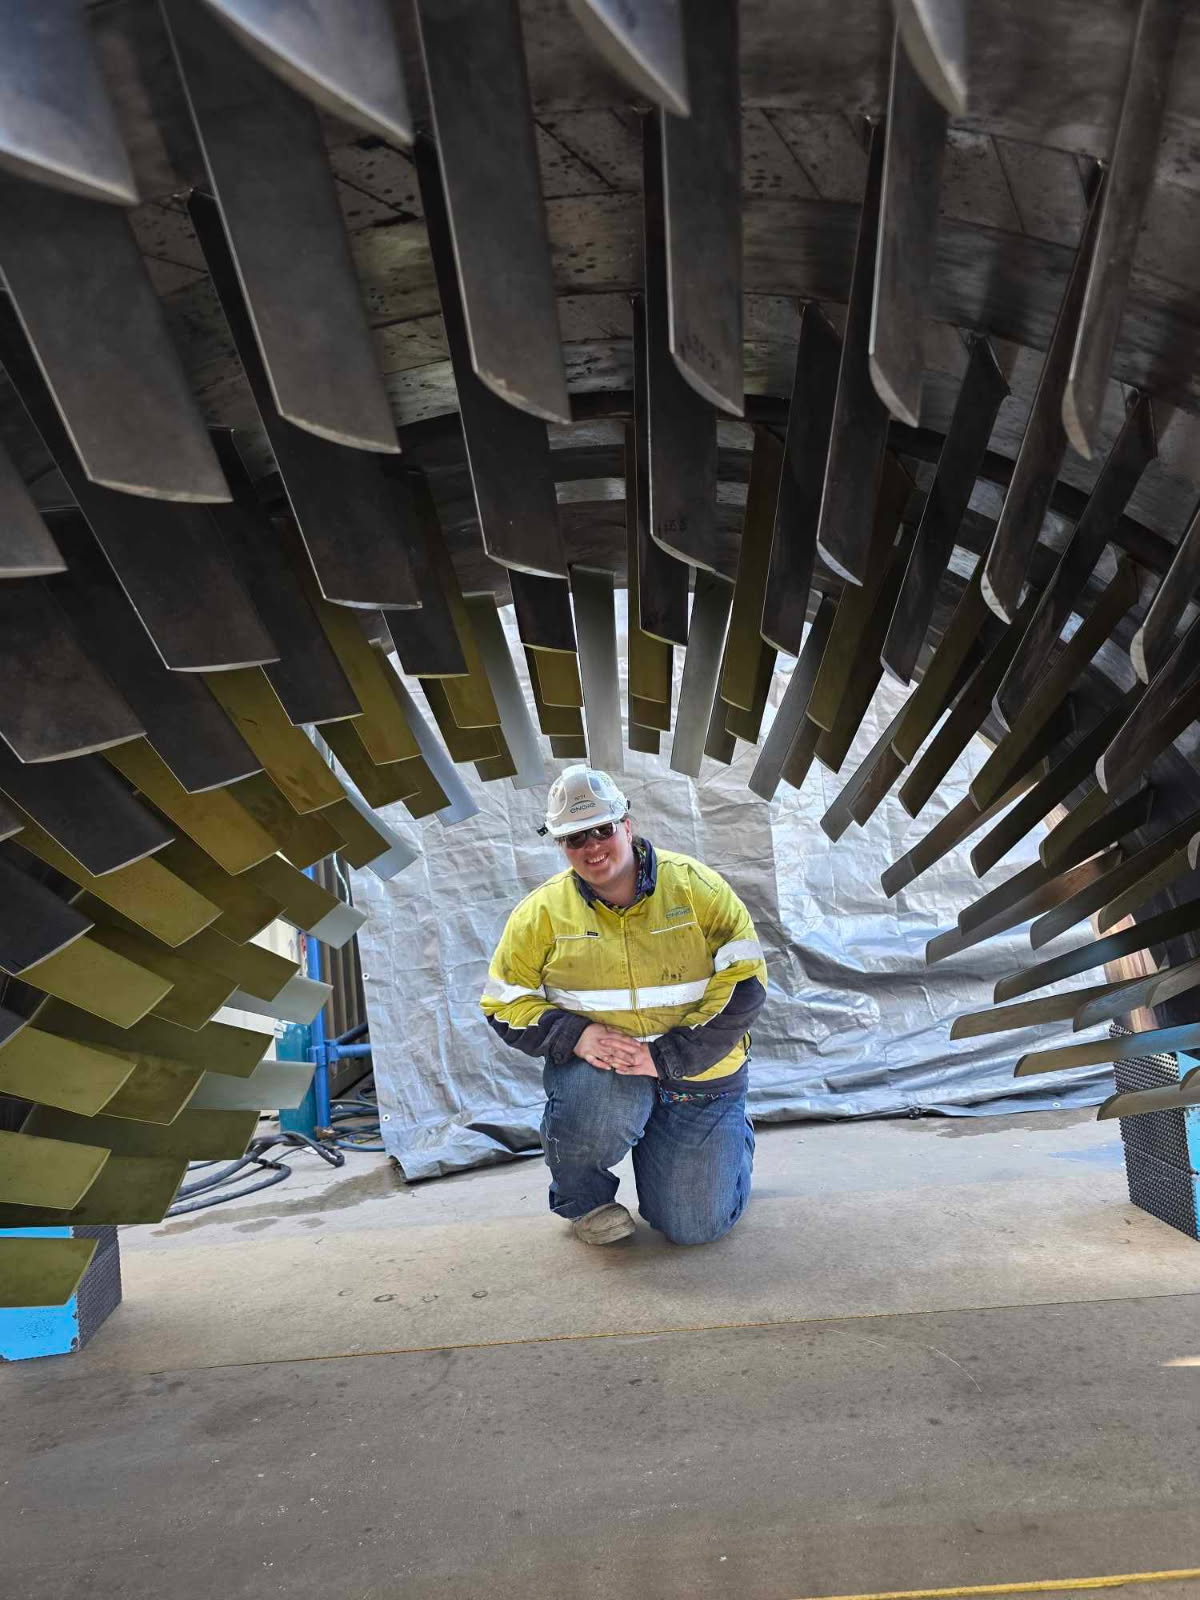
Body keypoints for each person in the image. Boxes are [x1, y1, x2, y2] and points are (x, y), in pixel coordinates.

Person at [480, 765, 767, 1246]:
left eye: (601, 829)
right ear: (559, 845)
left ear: (626, 825)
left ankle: (728, 1138)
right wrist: (576, 1035)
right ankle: (584, 1201)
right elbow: (503, 1002)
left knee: (694, 1227)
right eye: (574, 838)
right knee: (593, 1113)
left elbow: (746, 984)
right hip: (606, 1074)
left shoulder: (698, 889)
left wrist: (666, 1058)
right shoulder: (540, 913)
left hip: (696, 1070)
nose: (592, 847)